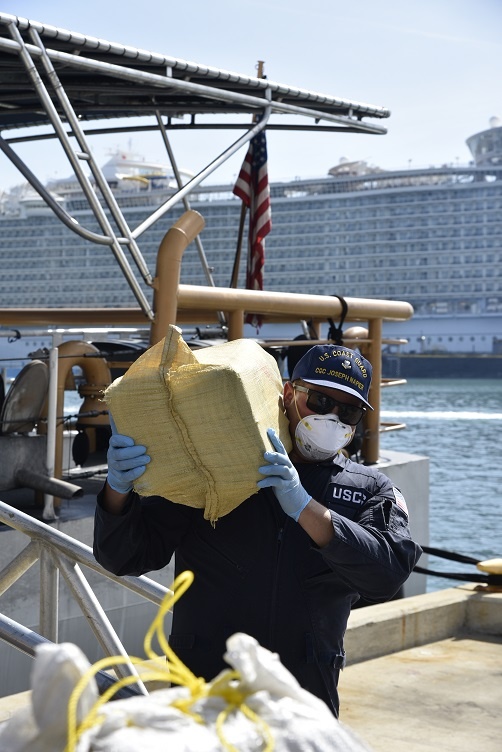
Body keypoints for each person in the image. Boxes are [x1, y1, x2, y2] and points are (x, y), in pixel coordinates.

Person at [93, 344, 422, 717]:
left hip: (303, 695)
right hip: (205, 688)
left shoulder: (371, 489)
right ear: (288, 393)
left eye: (347, 411)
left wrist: (304, 508)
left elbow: (387, 576)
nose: (331, 418)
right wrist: (117, 490)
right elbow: (124, 557)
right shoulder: (215, 469)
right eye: (318, 400)